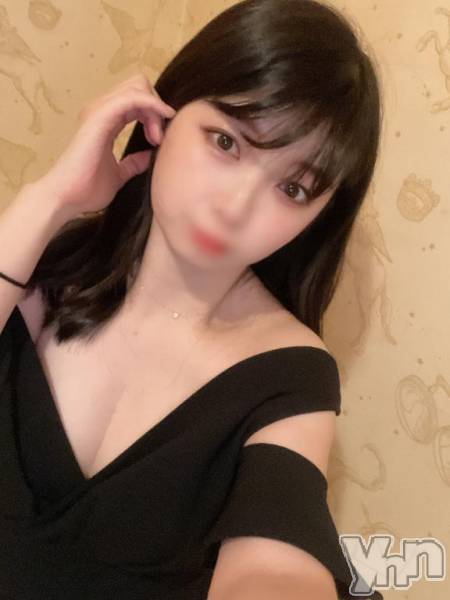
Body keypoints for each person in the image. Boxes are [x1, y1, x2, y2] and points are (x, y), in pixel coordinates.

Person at [0, 0, 384, 598]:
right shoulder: (38, 265)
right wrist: (49, 198)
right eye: (226, 142)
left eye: (292, 187)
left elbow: (276, 560)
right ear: (166, 112)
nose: (235, 208)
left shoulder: (291, 375)